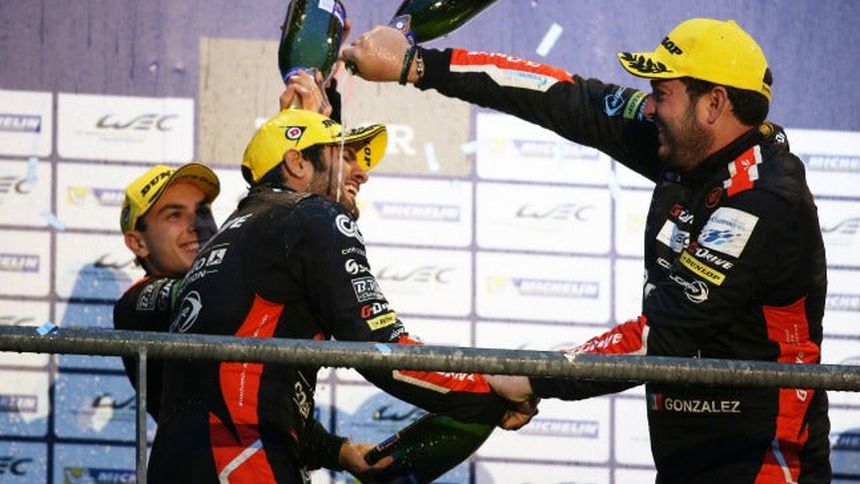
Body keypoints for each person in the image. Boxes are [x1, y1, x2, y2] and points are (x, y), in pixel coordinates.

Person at [342, 17, 831, 483]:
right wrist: (418, 65)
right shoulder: (692, 148)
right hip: (687, 458)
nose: (650, 108)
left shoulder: (767, 199)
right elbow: (563, 97)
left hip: (765, 463)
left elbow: (661, 335)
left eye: (662, 94)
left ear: (713, 104)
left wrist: (536, 376)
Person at [147, 108, 533, 483]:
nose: (361, 173)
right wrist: (487, 392)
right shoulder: (311, 215)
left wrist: (338, 451)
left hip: (174, 461)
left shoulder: (230, 236)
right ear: (297, 163)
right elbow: (380, 350)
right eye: (345, 156)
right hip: (241, 459)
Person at [113, 161, 221, 421]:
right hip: (197, 447)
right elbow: (201, 293)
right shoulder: (134, 302)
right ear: (138, 243)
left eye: (203, 212)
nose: (197, 225)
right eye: (174, 215)